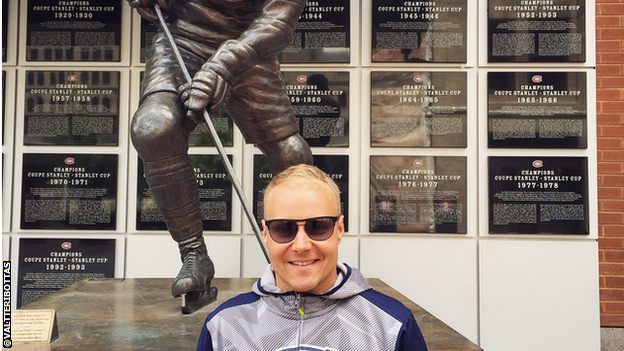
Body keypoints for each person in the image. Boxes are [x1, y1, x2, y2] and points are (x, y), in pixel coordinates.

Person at [126, 0, 313, 311]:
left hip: (249, 45)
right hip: (182, 41)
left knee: (292, 154)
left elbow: (279, 21)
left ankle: (301, 254)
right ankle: (193, 255)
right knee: (153, 129)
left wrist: (221, 66)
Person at [197, 164, 428, 350]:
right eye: (283, 229)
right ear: (266, 234)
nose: (301, 245)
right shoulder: (223, 328)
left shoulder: (392, 326)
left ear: (339, 230)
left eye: (318, 227)